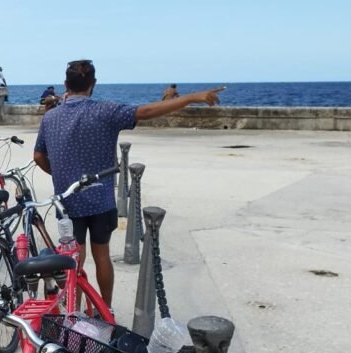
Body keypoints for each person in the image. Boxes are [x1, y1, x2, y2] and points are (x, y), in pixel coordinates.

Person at [33, 60, 223, 306]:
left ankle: (74, 314)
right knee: (102, 256)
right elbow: (145, 112)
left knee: (73, 261)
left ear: (66, 84)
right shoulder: (105, 111)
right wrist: (191, 97)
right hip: (101, 200)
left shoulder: (51, 118)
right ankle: (106, 309)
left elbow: (38, 156)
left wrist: (60, 176)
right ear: (93, 84)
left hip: (68, 202)